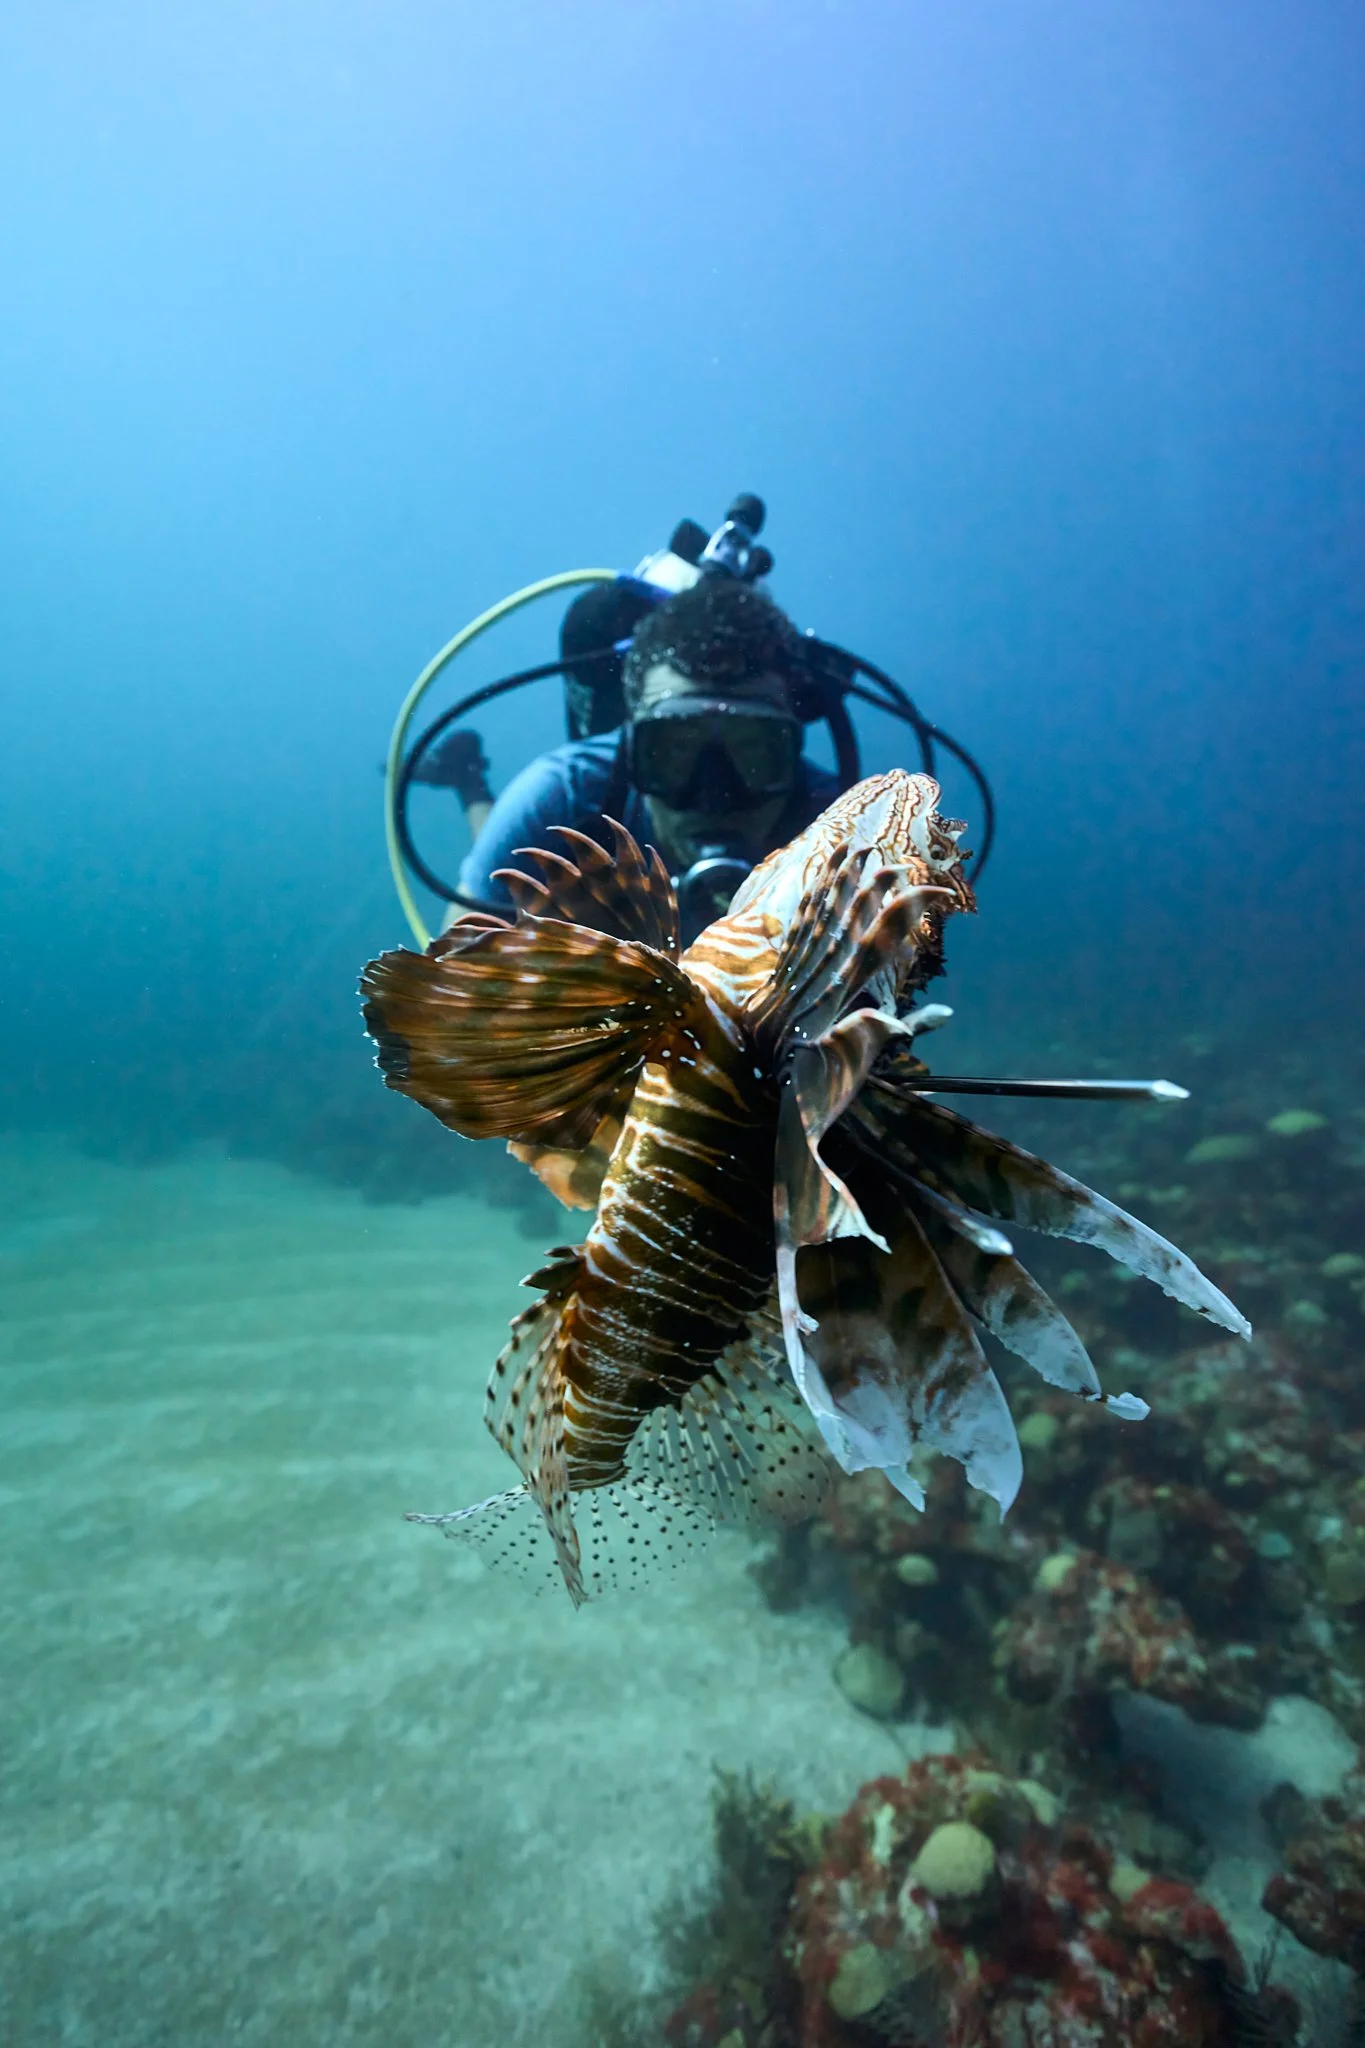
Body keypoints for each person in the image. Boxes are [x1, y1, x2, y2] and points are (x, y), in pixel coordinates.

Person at [427, 575, 845, 944]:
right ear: (631, 745)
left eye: (753, 750)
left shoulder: (837, 832)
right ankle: (470, 780)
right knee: (521, 870)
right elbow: (451, 978)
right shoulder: (562, 797)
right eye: (676, 751)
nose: (714, 796)